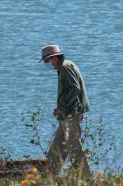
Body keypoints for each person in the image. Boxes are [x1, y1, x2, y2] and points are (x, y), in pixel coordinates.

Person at [39, 44, 91, 175]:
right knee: (56, 150)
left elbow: (75, 88)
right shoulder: (63, 67)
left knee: (75, 149)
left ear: (54, 58)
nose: (49, 65)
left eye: (48, 62)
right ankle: (49, 177)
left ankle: (86, 178)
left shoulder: (66, 67)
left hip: (70, 114)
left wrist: (61, 107)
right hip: (66, 115)